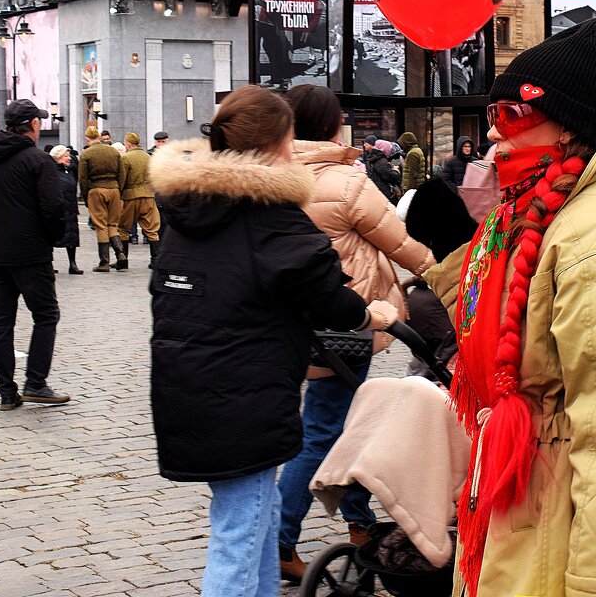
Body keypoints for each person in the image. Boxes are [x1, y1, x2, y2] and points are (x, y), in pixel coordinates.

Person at [415, 19, 596, 596]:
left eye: (513, 116)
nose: (494, 136)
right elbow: (494, 329)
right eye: (492, 117)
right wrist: (443, 255)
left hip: (563, 530)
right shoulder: (526, 217)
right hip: (523, 508)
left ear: (567, 130)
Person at [148, 85, 398, 597]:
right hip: (245, 388)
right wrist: (371, 312)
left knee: (254, 523)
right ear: (281, 145)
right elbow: (326, 294)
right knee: (239, 533)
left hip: (186, 383)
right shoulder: (270, 214)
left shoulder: (190, 207)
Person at [275, 85, 435, 581]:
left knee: (346, 418)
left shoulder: (272, 176)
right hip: (348, 319)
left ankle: (360, 522)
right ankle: (280, 540)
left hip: (290, 322)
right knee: (326, 428)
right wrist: (449, 276)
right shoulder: (345, 182)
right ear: (329, 125)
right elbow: (400, 241)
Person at [0, 99, 69, 409]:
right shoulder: (38, 161)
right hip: (30, 254)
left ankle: (6, 392)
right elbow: (53, 208)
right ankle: (36, 383)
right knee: (46, 316)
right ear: (34, 125)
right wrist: (51, 238)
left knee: (2, 324)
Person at [79, 125, 126, 272]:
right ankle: (120, 253)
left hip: (96, 189)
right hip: (114, 189)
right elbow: (122, 174)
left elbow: (82, 178)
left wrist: (86, 196)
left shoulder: (86, 154)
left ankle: (104, 262)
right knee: (113, 224)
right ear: (99, 137)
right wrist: (118, 189)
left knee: (101, 225)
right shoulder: (113, 151)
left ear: (87, 139)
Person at [118, 132, 162, 269]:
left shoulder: (125, 158)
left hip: (130, 197)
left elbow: (122, 179)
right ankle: (155, 259)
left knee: (123, 228)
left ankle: (123, 260)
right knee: (152, 229)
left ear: (128, 143)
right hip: (148, 196)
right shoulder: (148, 157)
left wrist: (120, 193)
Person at [49, 145, 83, 275]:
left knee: (72, 236)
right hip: (58, 208)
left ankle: (72, 264)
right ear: (58, 157)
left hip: (70, 207)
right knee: (52, 236)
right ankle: (49, 263)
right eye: (66, 156)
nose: (69, 158)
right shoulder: (51, 171)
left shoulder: (69, 170)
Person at [359, 134, 399, 201]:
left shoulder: (370, 157)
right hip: (383, 191)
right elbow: (390, 175)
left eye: (366, 143)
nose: (364, 145)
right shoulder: (380, 160)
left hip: (375, 191)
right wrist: (396, 172)